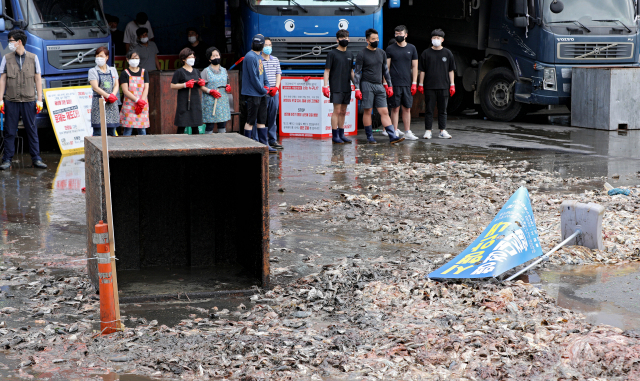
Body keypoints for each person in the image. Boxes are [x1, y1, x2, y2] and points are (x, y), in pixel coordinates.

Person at [0, 30, 46, 170]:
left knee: (32, 130)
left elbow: (37, 78)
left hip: (29, 100)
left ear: (19, 42)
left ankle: (36, 159)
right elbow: (2, 79)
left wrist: (39, 99)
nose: (9, 43)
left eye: (11, 40)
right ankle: (7, 160)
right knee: (10, 131)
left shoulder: (33, 58)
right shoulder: (6, 58)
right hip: (11, 100)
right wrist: (0, 99)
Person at [354, 28, 403, 145]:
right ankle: (369, 136)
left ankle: (392, 136)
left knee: (384, 111)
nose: (376, 40)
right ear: (367, 40)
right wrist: (357, 88)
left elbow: (386, 71)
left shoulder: (382, 53)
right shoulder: (362, 54)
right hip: (367, 85)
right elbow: (357, 72)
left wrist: (389, 86)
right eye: (373, 39)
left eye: (377, 38)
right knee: (368, 110)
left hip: (379, 85)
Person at [241, 34, 276, 153]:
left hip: (261, 93)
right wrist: (263, 89)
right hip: (253, 93)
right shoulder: (250, 56)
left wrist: (267, 85)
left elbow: (263, 73)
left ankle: (264, 144)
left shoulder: (259, 57)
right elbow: (253, 77)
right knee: (251, 119)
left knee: (262, 119)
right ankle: (247, 145)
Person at [418, 29, 454, 139]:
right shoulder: (426, 53)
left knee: (443, 109)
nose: (436, 40)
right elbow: (422, 70)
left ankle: (442, 130)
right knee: (429, 109)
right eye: (434, 38)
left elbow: (451, 70)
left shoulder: (447, 53)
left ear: (442, 40)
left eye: (438, 38)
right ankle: (428, 130)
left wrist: (452, 84)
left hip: (444, 86)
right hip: (429, 86)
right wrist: (420, 83)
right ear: (431, 39)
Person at [385, 25, 419, 140]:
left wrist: (414, 82)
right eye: (396, 34)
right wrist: (387, 83)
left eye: (400, 33)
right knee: (395, 108)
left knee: (407, 108)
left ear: (406, 35)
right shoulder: (390, 49)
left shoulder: (412, 48)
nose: (398, 35)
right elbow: (386, 68)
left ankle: (407, 131)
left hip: (407, 83)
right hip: (394, 83)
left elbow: (415, 66)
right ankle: (394, 131)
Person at [323, 29, 355, 145]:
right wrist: (325, 86)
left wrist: (356, 85)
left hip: (347, 86)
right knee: (336, 110)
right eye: (342, 39)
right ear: (337, 40)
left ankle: (342, 134)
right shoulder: (332, 54)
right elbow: (327, 71)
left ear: (349, 39)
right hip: (336, 86)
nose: (344, 40)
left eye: (346, 38)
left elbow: (351, 71)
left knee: (343, 111)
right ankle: (335, 135)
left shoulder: (350, 54)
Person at [170, 48, 205, 134]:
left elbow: (200, 87)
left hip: (195, 100)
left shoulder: (196, 71)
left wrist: (202, 84)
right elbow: (172, 85)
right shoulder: (179, 72)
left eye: (193, 57)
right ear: (183, 59)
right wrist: (185, 85)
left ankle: (197, 146)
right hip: (184, 101)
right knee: (182, 125)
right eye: (190, 57)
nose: (192, 59)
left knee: (195, 126)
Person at [257, 37, 282, 149]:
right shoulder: (258, 60)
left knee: (273, 116)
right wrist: (265, 88)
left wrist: (276, 87)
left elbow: (278, 74)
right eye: (266, 45)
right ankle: (260, 139)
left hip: (274, 93)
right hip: (263, 92)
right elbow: (258, 76)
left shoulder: (275, 59)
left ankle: (272, 139)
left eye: (270, 45)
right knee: (261, 117)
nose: (268, 47)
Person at [89, 46, 120, 136]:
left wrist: (112, 95)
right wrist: (107, 96)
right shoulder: (93, 71)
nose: (99, 58)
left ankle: (112, 150)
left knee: (112, 131)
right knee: (98, 131)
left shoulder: (113, 70)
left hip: (111, 103)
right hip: (99, 103)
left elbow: (116, 84)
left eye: (101, 56)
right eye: (97, 56)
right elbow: (95, 87)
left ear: (107, 57)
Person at [200, 46, 231, 134]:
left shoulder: (224, 70)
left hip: (222, 101)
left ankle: (222, 145)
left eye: (217, 55)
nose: (216, 57)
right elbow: (201, 86)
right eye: (213, 56)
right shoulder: (206, 71)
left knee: (222, 124)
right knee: (210, 126)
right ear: (209, 59)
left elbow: (227, 82)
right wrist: (210, 91)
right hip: (210, 101)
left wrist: (228, 86)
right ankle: (209, 145)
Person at [119, 50, 150, 136]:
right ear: (127, 60)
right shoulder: (124, 73)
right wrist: (137, 100)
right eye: (133, 58)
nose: (135, 60)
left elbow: (146, 87)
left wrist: (141, 102)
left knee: (142, 130)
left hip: (142, 105)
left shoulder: (144, 72)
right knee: (128, 130)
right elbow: (125, 90)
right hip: (130, 105)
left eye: (137, 58)